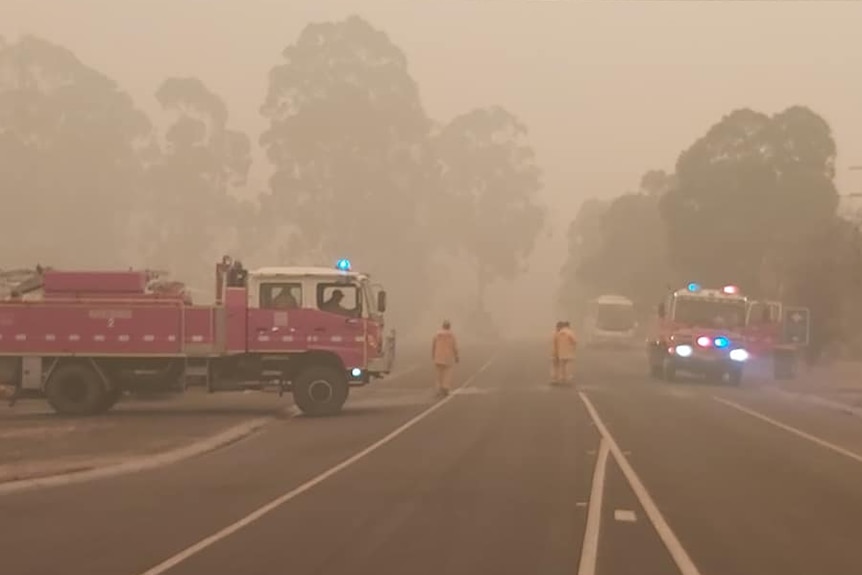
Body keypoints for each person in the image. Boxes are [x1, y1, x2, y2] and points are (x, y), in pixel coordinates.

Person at [431, 320, 459, 398]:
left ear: (443, 326)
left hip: (438, 356)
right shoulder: (451, 335)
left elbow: (433, 345)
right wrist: (456, 356)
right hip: (448, 357)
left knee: (438, 374)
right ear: (449, 326)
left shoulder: (437, 334)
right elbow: (455, 346)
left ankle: (438, 389)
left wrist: (433, 355)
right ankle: (445, 388)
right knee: (447, 373)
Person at [551, 320, 577, 385]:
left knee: (561, 366)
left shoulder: (559, 333)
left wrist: (554, 352)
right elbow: (574, 341)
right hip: (569, 351)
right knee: (568, 366)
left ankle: (561, 378)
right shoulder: (570, 332)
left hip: (560, 352)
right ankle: (567, 379)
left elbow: (555, 342)